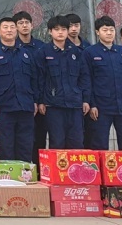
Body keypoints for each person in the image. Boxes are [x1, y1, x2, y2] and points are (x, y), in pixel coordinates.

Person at [0, 17, 39, 161]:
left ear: (16, 30)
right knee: (5, 146)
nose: (9, 30)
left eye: (12, 27)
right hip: (3, 108)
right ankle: (8, 174)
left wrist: (35, 101)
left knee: (25, 145)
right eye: (5, 27)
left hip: (25, 106)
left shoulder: (26, 53)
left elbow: (35, 79)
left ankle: (24, 173)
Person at [83, 16, 122, 150]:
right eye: (105, 30)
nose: (109, 33)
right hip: (102, 106)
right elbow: (87, 80)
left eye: (111, 30)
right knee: (100, 144)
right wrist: (92, 104)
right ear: (97, 32)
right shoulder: (90, 52)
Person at [39, 15, 90, 148]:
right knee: (57, 142)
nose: (60, 32)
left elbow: (84, 77)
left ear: (67, 31)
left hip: (75, 104)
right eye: (56, 29)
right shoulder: (43, 52)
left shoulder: (77, 52)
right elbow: (39, 78)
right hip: (53, 105)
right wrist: (40, 101)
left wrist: (85, 100)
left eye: (63, 29)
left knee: (77, 142)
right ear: (50, 32)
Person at [14, 11, 47, 163]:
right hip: (21, 101)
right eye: (20, 23)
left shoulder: (41, 47)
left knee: (40, 138)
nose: (24, 26)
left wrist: (40, 100)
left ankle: (40, 170)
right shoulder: (13, 47)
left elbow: (44, 75)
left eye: (27, 22)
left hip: (40, 100)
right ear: (16, 27)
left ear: (32, 25)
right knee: (22, 139)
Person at [66, 12, 93, 147]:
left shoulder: (88, 47)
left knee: (89, 135)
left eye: (76, 25)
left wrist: (88, 99)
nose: (73, 29)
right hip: (68, 98)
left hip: (88, 96)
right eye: (70, 26)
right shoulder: (62, 47)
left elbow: (89, 74)